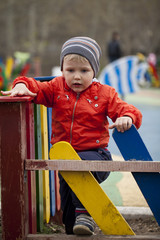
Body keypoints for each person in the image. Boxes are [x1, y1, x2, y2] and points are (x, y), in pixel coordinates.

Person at [1, 36, 142, 236]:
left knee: (80, 182)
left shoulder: (104, 94)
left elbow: (128, 109)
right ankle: (75, 225)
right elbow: (35, 86)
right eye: (70, 70)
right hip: (64, 163)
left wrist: (126, 117)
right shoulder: (56, 88)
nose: (77, 77)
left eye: (84, 71)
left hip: (96, 156)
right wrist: (21, 85)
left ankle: (86, 214)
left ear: (94, 71)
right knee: (69, 217)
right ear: (62, 70)